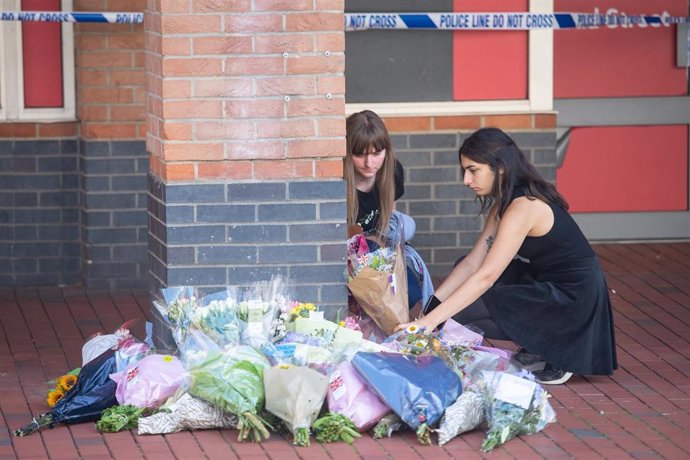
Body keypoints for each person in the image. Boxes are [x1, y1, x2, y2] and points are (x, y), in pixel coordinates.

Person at [396, 127, 617, 385]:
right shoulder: (505, 204)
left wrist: (430, 323)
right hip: (547, 284)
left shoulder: (524, 207)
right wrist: (428, 312)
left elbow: (486, 277)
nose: (466, 180)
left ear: (499, 167)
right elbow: (471, 264)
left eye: (473, 170)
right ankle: (538, 343)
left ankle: (556, 350)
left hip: (574, 299)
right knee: (462, 282)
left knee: (477, 300)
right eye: (464, 171)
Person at [345, 109, 433, 310]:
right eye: (360, 155)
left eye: (377, 154)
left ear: (386, 150)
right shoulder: (339, 180)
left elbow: (389, 218)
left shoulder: (392, 170)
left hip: (380, 250)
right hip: (348, 255)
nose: (369, 163)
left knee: (410, 293)